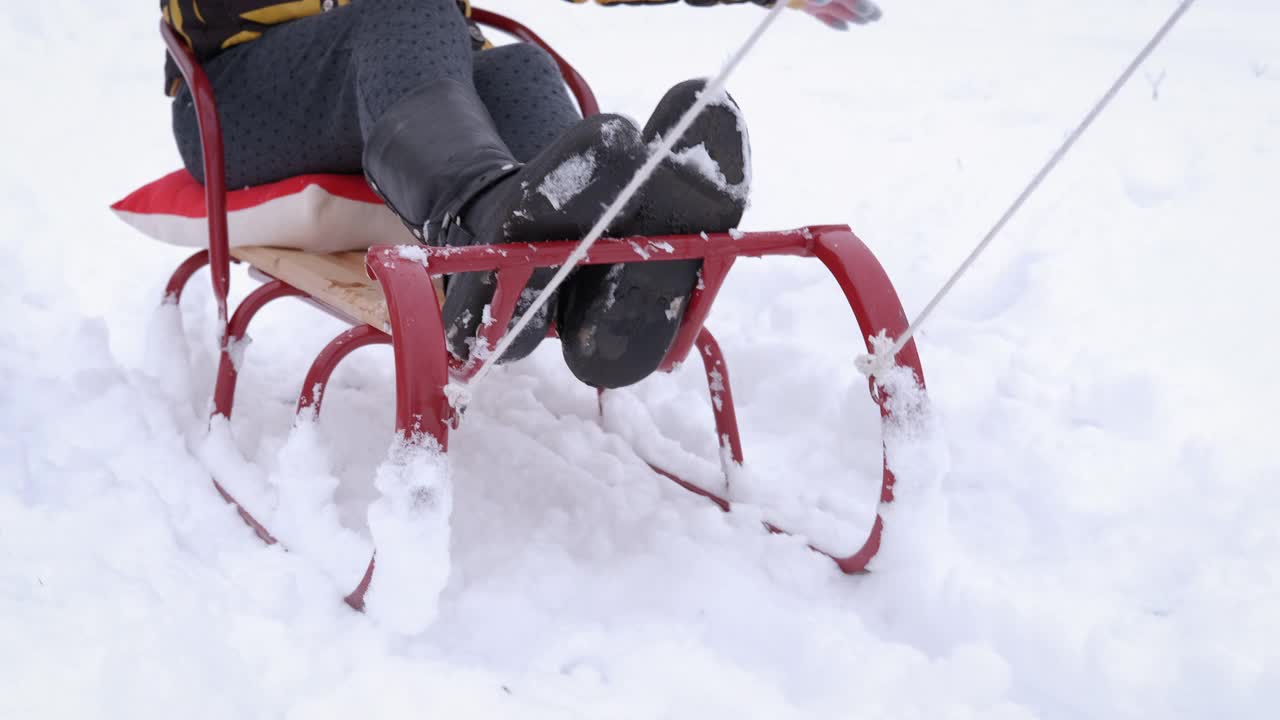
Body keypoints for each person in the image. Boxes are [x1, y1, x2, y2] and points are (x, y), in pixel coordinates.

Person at [162, 0, 881, 388]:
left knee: (521, 70)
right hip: (243, 99)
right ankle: (478, 225)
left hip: (388, 82)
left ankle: (601, 277)